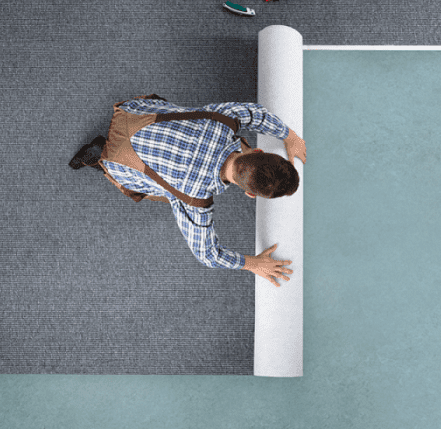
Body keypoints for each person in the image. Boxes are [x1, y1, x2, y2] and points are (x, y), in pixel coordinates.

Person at [70, 97, 307, 288]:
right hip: (117, 159)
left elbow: (256, 113)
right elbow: (208, 255)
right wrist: (252, 264)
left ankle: (105, 151)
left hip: (132, 113)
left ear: (257, 149)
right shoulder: (195, 199)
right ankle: (97, 159)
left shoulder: (222, 121)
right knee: (168, 194)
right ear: (250, 195)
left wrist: (289, 135)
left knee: (178, 121)